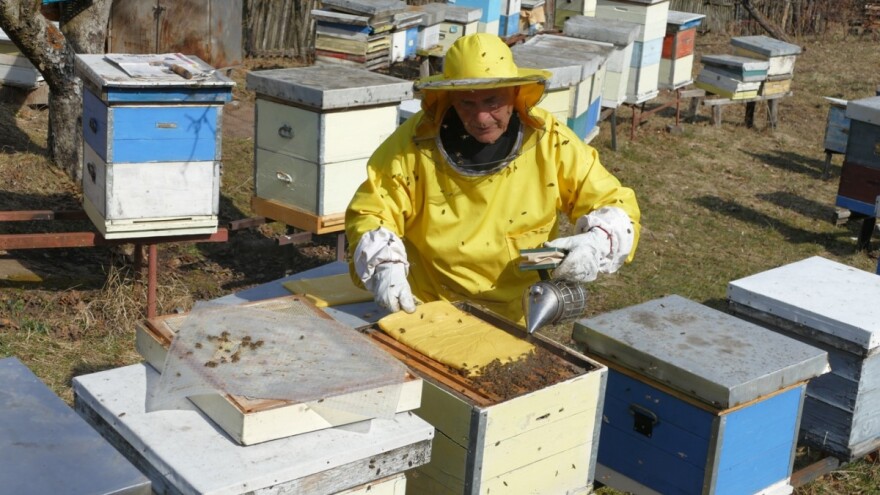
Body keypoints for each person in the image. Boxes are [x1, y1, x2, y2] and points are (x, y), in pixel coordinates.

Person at [345, 33, 640, 323]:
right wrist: (385, 263)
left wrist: (596, 242)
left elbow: (612, 201)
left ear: (515, 94)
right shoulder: (411, 144)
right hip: (430, 305)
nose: (482, 118)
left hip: (518, 310)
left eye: (492, 101)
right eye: (467, 103)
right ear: (450, 98)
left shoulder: (551, 141)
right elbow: (373, 210)